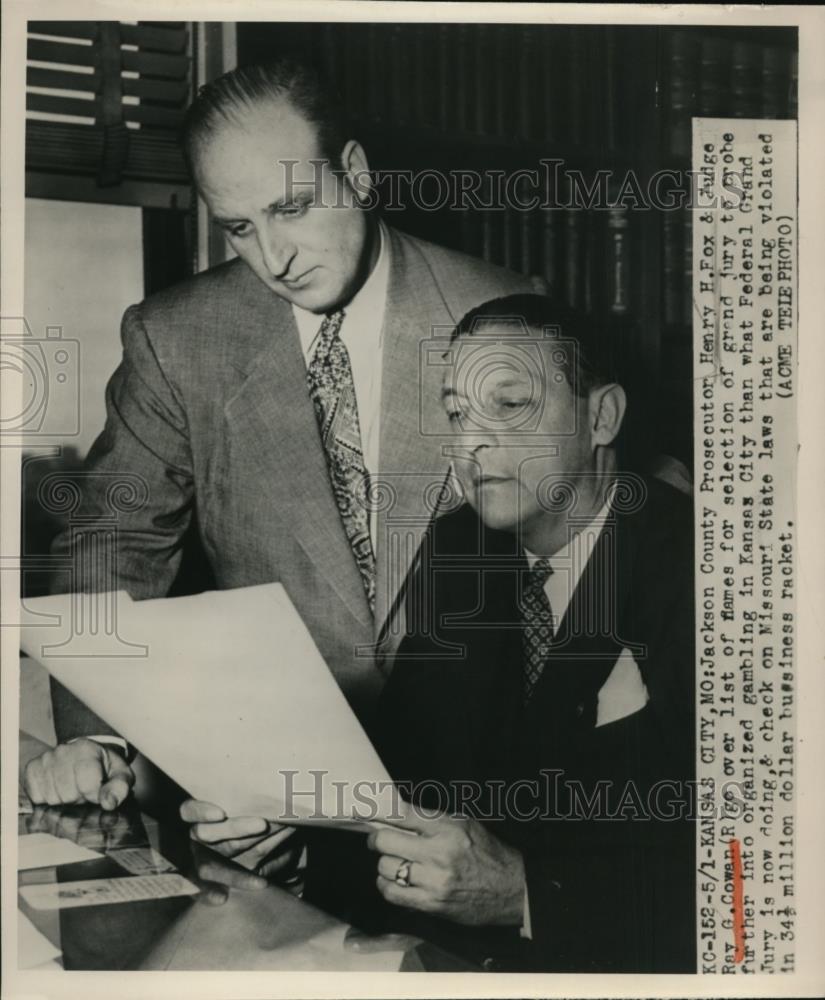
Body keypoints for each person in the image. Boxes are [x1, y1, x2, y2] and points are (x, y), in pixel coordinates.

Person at [21, 58, 539, 871]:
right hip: (278, 793)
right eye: (238, 227)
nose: (274, 256)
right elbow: (112, 541)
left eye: (291, 208)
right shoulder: (177, 337)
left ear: (357, 175)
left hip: (485, 791)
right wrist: (98, 735)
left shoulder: (498, 308)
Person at [357, 294, 696, 972]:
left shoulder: (708, 569)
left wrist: (524, 895)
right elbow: (403, 768)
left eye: (509, 406)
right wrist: (290, 832)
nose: (467, 444)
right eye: (456, 413)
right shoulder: (459, 547)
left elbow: (762, 887)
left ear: (601, 416)